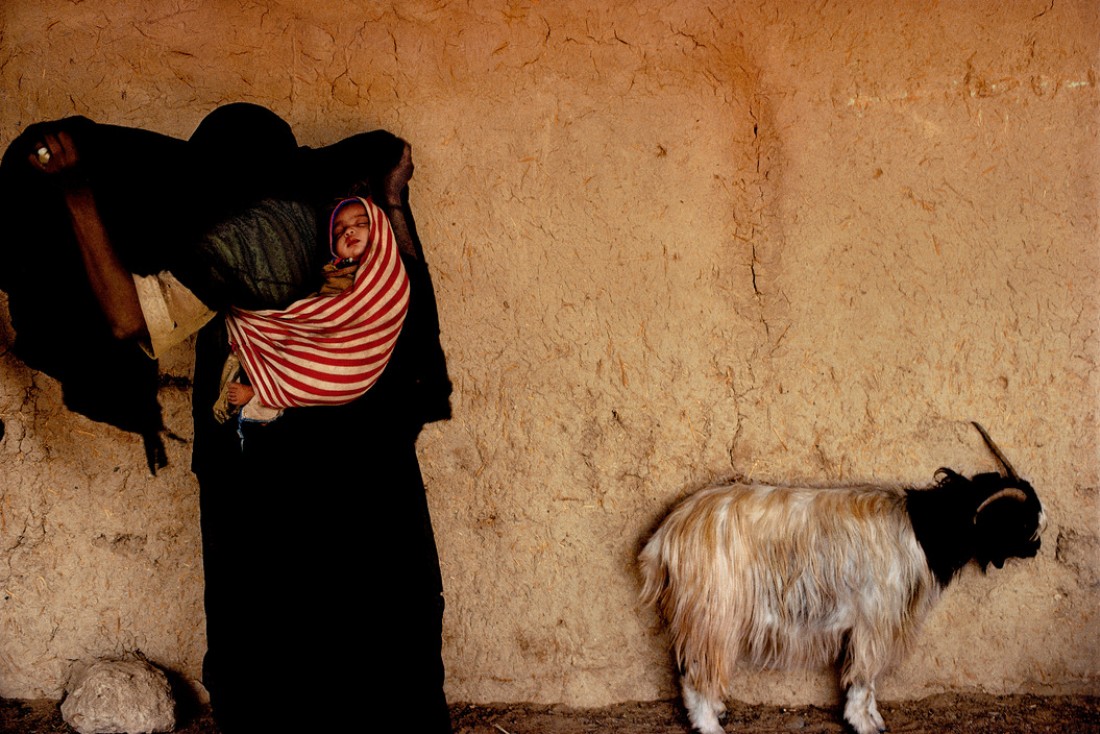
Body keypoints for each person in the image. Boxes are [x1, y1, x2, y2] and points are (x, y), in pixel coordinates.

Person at [25, 109, 453, 733]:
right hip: (365, 473)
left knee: (266, 644)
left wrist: (76, 191)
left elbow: (125, 320)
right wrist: (393, 202)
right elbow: (411, 300)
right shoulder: (347, 233)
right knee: (387, 635)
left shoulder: (240, 248)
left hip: (268, 483)